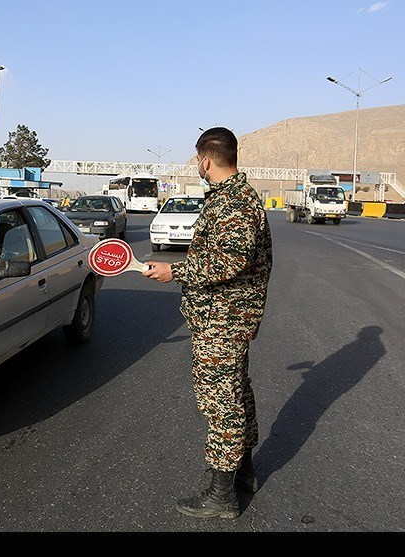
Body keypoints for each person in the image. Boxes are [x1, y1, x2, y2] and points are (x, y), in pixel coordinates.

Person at [142, 127, 273, 519]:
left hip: (224, 322)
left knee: (222, 404)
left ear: (204, 159)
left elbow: (232, 260)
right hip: (223, 318)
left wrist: (175, 271)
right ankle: (241, 472)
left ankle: (221, 497)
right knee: (237, 394)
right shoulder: (231, 198)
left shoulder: (235, 202)